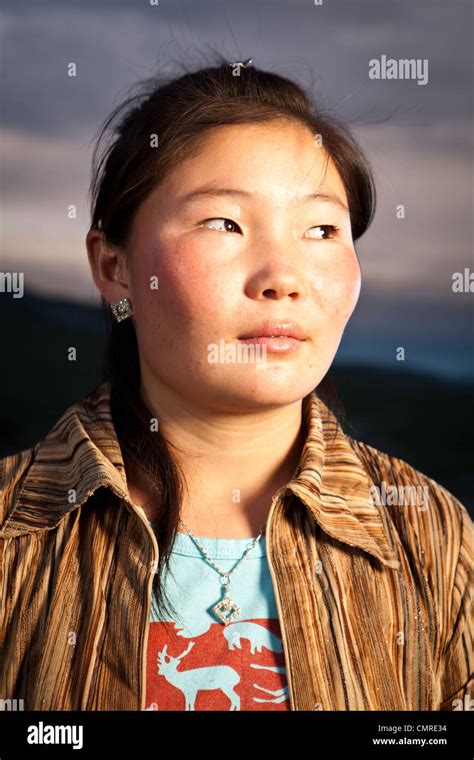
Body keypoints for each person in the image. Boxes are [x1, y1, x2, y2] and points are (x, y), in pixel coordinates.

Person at [0, 58, 472, 712]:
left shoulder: (433, 536)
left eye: (321, 229)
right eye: (225, 223)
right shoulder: (11, 537)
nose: (283, 275)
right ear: (114, 267)